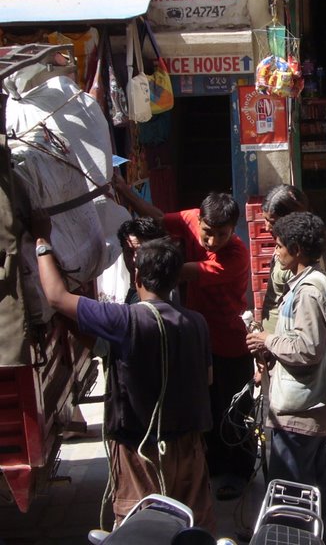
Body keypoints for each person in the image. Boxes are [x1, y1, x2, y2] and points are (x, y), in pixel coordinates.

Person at [33, 217, 215, 531]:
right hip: (189, 445)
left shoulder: (123, 321)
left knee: (141, 529)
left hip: (139, 449)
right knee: (191, 525)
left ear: (136, 276)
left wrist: (41, 242)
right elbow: (208, 379)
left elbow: (56, 297)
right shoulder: (196, 321)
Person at [112, 176, 254, 500]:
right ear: (199, 220)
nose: (212, 240)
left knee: (235, 412)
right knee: (208, 409)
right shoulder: (190, 219)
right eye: (207, 232)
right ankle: (216, 465)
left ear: (233, 231)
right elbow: (159, 218)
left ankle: (240, 471)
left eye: (222, 234)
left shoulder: (235, 256)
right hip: (199, 341)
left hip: (231, 343)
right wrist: (123, 191)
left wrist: (144, 259)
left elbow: (175, 272)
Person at [246, 212, 326, 545]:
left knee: (290, 498)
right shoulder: (317, 281)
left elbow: (307, 349)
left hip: (301, 410)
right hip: (312, 406)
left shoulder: (308, 291)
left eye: (279, 246)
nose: (275, 252)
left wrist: (267, 341)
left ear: (297, 249)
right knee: (314, 492)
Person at [257, 184, 310, 333]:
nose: (267, 227)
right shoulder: (283, 247)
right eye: (265, 220)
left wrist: (273, 342)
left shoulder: (299, 257)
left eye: (272, 222)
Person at [116, 217, 168, 304]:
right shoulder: (133, 291)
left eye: (141, 252)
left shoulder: (160, 296)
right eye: (130, 252)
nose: (134, 259)